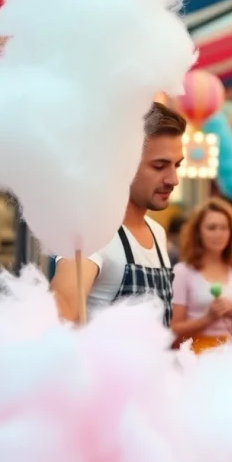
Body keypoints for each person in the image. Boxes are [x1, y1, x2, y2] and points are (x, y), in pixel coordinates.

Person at [52, 102, 184, 325]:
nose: (173, 179)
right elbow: (59, 313)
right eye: (160, 166)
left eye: (177, 166)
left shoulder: (158, 233)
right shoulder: (94, 232)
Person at [168, 198, 232, 353]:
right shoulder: (183, 271)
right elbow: (174, 328)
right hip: (196, 353)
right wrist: (208, 318)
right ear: (198, 232)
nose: (218, 234)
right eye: (211, 228)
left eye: (224, 228)